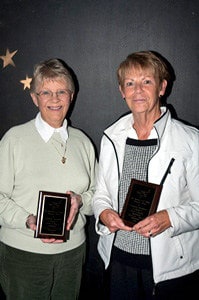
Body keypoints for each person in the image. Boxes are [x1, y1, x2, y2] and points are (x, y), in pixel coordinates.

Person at [92, 50, 199, 300]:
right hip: (119, 261)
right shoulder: (111, 137)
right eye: (130, 83)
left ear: (162, 87)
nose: (137, 90)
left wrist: (169, 217)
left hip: (169, 268)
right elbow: (101, 195)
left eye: (146, 81)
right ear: (122, 91)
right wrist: (105, 214)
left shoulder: (190, 141)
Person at [0, 58, 97, 300]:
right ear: (35, 98)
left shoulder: (83, 142)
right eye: (46, 92)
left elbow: (98, 194)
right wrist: (28, 220)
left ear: (71, 96)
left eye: (61, 91)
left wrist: (80, 200)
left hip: (73, 253)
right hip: (24, 254)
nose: (55, 99)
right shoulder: (14, 139)